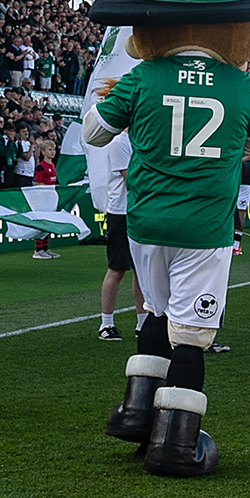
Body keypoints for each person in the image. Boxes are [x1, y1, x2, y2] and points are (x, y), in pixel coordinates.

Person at [83, 0, 250, 477]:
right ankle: (177, 442)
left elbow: (94, 133)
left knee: (154, 311)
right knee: (192, 338)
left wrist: (116, 100)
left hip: (147, 220)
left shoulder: (140, 77)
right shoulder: (242, 88)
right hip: (204, 227)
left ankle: (137, 411)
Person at [96, 130, 142, 342]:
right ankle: (106, 323)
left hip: (139, 211)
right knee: (117, 268)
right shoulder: (119, 143)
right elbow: (131, 178)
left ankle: (142, 322)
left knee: (141, 271)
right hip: (121, 212)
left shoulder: (140, 140)